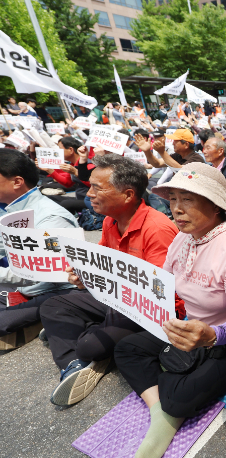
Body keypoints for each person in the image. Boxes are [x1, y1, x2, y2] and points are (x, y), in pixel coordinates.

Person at [114, 162, 226, 458]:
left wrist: (211, 335)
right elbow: (159, 283)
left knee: (177, 396)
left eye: (187, 199)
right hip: (193, 326)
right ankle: (160, 411)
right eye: (172, 199)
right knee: (126, 349)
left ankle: (167, 403)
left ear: (214, 206)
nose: (176, 209)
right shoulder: (182, 237)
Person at [39, 154, 178, 406]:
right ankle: (74, 363)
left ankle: (76, 340)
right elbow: (102, 266)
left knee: (89, 345)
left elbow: (163, 294)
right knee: (51, 306)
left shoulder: (157, 229)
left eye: (97, 187)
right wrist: (85, 278)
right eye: (90, 185)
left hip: (148, 312)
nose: (88, 193)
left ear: (127, 195)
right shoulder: (109, 222)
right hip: (117, 299)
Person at [0, 150, 79, 346]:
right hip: (26, 286)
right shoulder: (14, 211)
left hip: (56, 291)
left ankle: (41, 321)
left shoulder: (50, 217)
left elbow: (35, 273)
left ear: (17, 182)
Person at [135, 128, 205, 218]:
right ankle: (165, 217)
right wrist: (147, 151)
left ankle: (168, 218)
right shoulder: (177, 156)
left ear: (186, 144)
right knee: (154, 196)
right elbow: (157, 163)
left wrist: (162, 152)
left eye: (176, 141)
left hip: (191, 198)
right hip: (177, 195)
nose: (172, 143)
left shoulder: (197, 159)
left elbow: (181, 171)